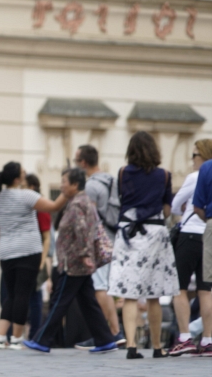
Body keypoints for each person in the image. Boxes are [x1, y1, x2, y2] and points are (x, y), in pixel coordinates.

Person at [23, 169, 118, 354]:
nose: (61, 185)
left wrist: (83, 254)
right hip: (78, 262)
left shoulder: (77, 205)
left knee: (60, 302)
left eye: (64, 181)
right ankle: (105, 340)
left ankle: (42, 340)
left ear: (75, 185)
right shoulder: (82, 202)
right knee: (88, 303)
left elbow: (82, 230)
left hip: (74, 263)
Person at [108, 131, 178, 359]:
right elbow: (167, 210)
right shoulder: (164, 176)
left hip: (128, 233)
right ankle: (157, 347)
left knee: (129, 293)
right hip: (155, 233)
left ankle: (131, 345)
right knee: (154, 293)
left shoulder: (122, 173)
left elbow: (122, 202)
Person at [0, 162, 68, 349]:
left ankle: (0, 337)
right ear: (17, 178)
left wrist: (2, 248)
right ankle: (15, 339)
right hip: (28, 251)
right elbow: (54, 206)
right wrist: (67, 191)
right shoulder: (27, 196)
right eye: (23, 172)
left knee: (12, 295)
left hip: (6, 252)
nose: (25, 173)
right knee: (23, 294)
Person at [73, 144, 125, 348]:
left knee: (100, 287)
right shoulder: (110, 180)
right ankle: (106, 333)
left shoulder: (91, 186)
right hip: (114, 240)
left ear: (84, 163)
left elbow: (90, 219)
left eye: (77, 161)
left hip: (99, 244)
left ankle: (112, 332)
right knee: (105, 287)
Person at [168, 140, 212, 356]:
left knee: (180, 287)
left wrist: (185, 207)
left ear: (201, 155)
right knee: (206, 289)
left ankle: (185, 337)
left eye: (194, 154)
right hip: (208, 235)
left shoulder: (196, 176)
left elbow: (176, 205)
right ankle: (207, 339)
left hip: (189, 235)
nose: (192, 159)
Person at [25, 173, 52, 338]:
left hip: (37, 256)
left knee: (35, 298)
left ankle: (35, 334)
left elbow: (47, 236)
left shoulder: (39, 205)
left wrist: (42, 261)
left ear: (32, 187)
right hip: (29, 254)